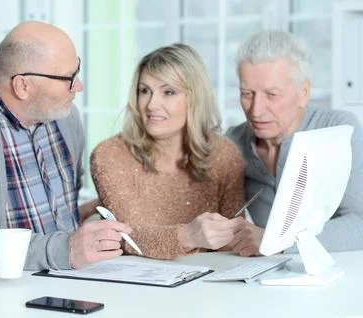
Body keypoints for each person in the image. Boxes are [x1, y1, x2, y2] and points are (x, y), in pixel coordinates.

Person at [0, 21, 131, 271]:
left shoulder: (66, 116)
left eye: (77, 72)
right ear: (22, 86)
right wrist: (66, 250)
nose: (79, 86)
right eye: (68, 78)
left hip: (75, 279)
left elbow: (68, 211)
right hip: (6, 289)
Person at [90, 43, 245, 260]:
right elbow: (130, 237)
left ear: (194, 98)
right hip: (133, 286)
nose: (152, 104)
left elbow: (232, 242)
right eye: (144, 91)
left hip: (207, 285)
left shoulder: (224, 154)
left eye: (168, 92)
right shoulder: (110, 154)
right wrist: (189, 235)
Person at [227, 30, 363, 257]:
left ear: (304, 93)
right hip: (266, 279)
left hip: (341, 275)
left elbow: (360, 224)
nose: (256, 110)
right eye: (247, 93)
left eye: (271, 94)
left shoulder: (339, 130)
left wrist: (277, 241)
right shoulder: (232, 142)